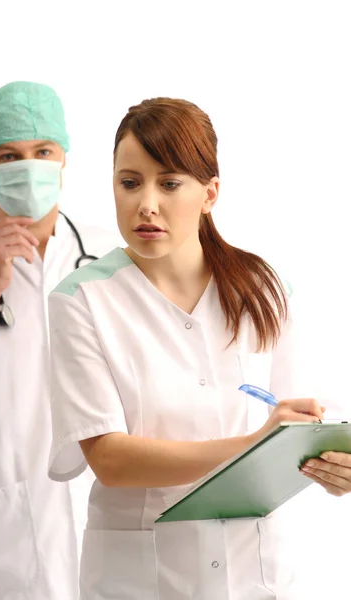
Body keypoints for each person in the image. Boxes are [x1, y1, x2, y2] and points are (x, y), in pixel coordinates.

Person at [47, 98, 351, 600]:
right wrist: (254, 446)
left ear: (210, 193)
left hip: (252, 571)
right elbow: (111, 459)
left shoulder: (266, 288)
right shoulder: (81, 300)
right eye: (129, 182)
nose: (147, 203)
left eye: (169, 184)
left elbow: (315, 425)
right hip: (140, 577)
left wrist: (333, 470)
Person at [0, 81, 121, 600]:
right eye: (9, 155)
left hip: (111, 510)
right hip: (6, 526)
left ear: (64, 155)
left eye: (42, 151)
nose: (29, 166)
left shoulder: (113, 256)